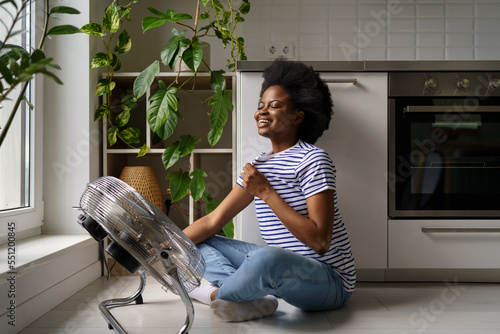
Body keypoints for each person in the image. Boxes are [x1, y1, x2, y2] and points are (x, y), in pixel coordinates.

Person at [183, 59, 356, 322]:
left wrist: (265, 192)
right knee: (197, 239)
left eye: (274, 106)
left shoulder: (314, 159)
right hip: (283, 272)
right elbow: (212, 220)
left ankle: (213, 296)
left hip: (329, 281)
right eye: (260, 106)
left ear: (298, 116)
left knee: (268, 257)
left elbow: (320, 242)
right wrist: (163, 247)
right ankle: (241, 296)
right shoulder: (260, 166)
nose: (262, 112)